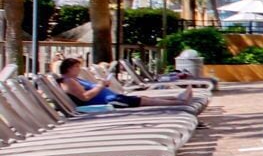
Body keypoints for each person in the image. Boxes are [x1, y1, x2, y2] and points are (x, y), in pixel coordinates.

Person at [55, 58, 196, 111]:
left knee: (144, 99)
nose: (79, 69)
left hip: (112, 99)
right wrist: (100, 85)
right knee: (144, 101)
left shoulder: (75, 80)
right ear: (69, 68)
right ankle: (179, 103)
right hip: (108, 104)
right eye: (76, 67)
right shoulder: (68, 82)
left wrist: (102, 85)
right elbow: (85, 97)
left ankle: (179, 99)